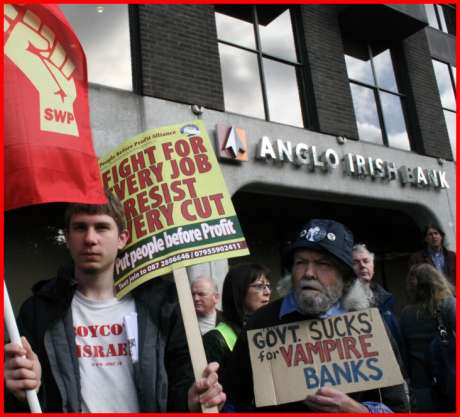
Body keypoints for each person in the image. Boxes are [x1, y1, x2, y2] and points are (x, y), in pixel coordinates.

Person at [4, 191, 225, 412]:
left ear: (122, 238)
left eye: (101, 227)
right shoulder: (39, 310)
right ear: (68, 239)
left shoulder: (163, 306)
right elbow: (22, 401)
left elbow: (181, 382)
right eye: (80, 227)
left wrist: (192, 401)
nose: (90, 238)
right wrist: (21, 391)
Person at [223, 218, 409, 412]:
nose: (309, 273)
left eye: (323, 264)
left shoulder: (369, 326)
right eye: (301, 262)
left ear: (344, 276)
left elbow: (398, 407)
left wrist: (357, 411)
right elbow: (233, 402)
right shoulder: (261, 323)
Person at [400, 263, 456, 412]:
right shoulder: (449, 304)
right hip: (450, 379)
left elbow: (404, 352)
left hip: (421, 386)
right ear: (437, 280)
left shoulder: (406, 314)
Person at [203, 263, 272, 374]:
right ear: (239, 290)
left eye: (268, 286)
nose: (267, 292)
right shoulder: (214, 340)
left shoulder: (271, 328)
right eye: (259, 286)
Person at [352, 244, 402, 350]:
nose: (362, 266)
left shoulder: (386, 300)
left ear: (373, 266)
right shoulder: (341, 303)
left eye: (366, 261)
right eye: (355, 263)